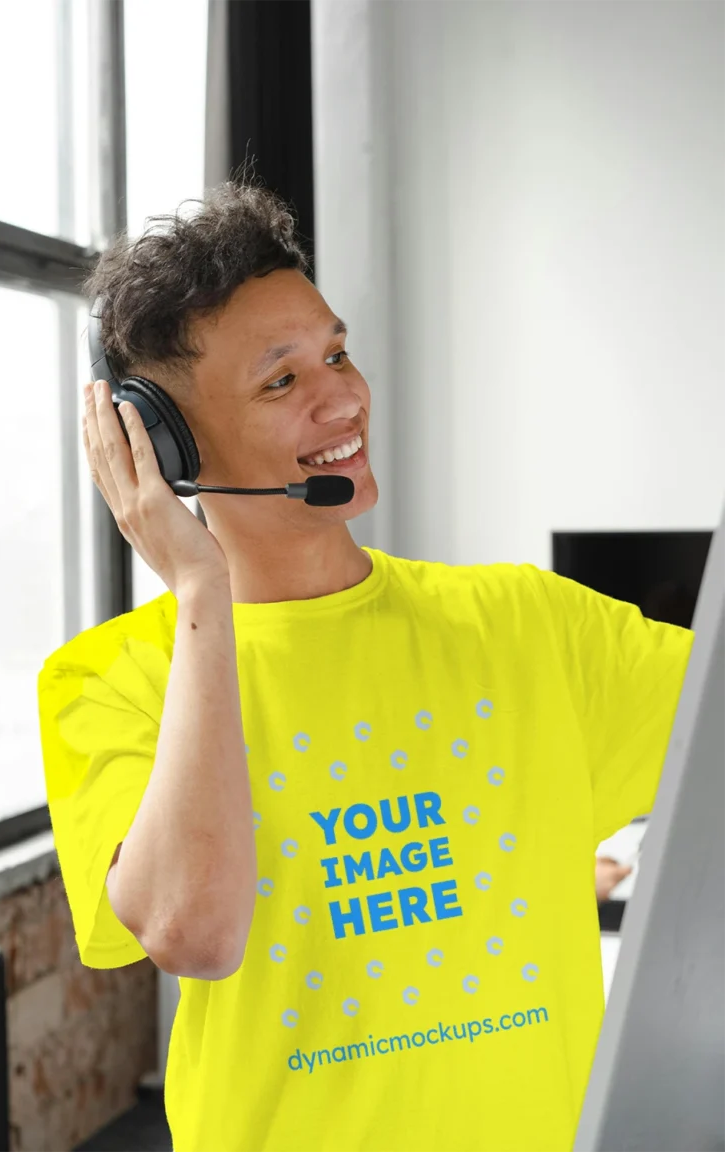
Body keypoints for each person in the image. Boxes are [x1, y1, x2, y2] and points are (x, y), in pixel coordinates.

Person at [37, 178, 695, 1152]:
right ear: (169, 448)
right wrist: (201, 593)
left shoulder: (531, 625)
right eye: (281, 380)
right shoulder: (112, 682)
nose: (342, 394)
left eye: (336, 353)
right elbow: (197, 931)